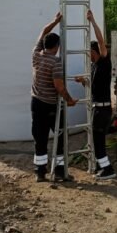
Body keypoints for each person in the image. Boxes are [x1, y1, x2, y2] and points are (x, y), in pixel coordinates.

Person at [31, 12, 77, 182]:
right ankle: (59, 171)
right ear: (57, 46)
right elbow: (59, 86)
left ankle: (40, 172)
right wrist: (69, 100)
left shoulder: (36, 54)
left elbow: (43, 31)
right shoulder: (56, 62)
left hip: (36, 103)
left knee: (40, 137)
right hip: (51, 105)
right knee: (59, 137)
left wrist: (55, 21)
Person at [76, 10, 116, 180]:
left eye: (91, 53)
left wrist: (92, 21)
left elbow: (101, 41)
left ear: (97, 52)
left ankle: (108, 170)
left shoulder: (104, 62)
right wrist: (83, 82)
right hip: (97, 108)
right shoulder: (94, 67)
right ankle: (102, 165)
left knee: (98, 140)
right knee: (96, 140)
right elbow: (94, 86)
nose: (89, 56)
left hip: (103, 109)